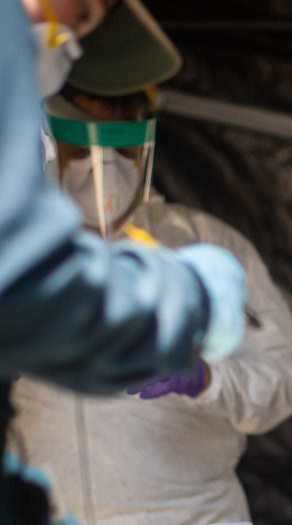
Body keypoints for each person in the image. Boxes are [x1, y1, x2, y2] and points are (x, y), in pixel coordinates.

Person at [2, 1, 247, 521]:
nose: (73, 38)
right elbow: (27, 287)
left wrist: (208, 380)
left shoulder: (200, 235)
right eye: (84, 12)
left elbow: (278, 379)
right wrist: (192, 299)